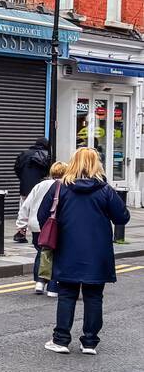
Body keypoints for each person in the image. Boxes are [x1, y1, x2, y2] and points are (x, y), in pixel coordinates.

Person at [36, 148, 131, 355]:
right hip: (98, 253)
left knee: (67, 294)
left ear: (73, 162)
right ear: (97, 165)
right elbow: (122, 218)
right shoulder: (105, 190)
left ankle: (60, 340)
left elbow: (42, 216)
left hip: (67, 249)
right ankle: (89, 342)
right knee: (94, 296)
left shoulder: (60, 188)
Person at [19, 160, 67, 296]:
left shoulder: (39, 185)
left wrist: (21, 225)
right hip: (53, 225)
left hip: (36, 225)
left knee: (42, 252)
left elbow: (26, 205)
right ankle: (52, 284)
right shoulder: (64, 186)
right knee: (55, 254)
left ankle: (39, 282)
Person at [12, 137, 52, 242]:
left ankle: (21, 231)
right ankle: (40, 232)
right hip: (40, 186)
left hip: (25, 186)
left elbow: (16, 168)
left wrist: (23, 178)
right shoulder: (47, 154)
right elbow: (48, 171)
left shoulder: (24, 154)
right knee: (39, 208)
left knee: (23, 207)